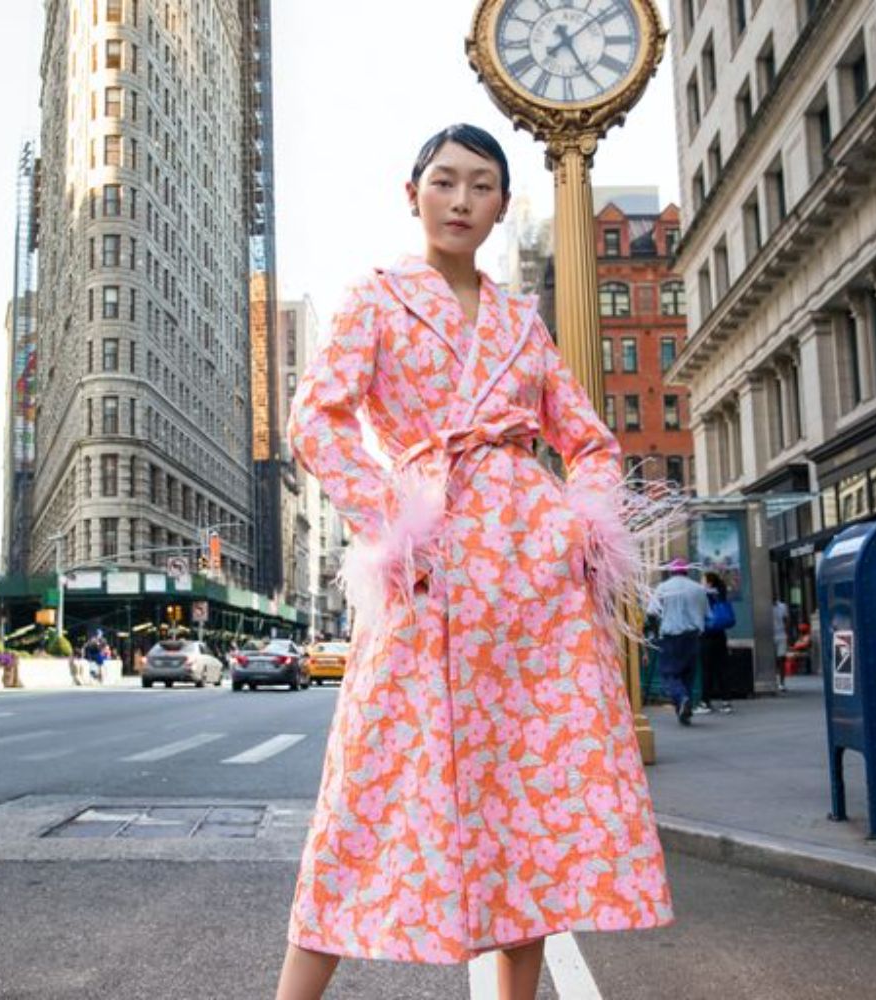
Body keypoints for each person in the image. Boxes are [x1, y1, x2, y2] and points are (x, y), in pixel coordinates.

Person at [275, 124, 673, 1000]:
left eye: (482, 185)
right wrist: (396, 522)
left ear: (499, 206)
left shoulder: (521, 326)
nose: (461, 200)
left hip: (534, 587)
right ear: (411, 192)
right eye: (445, 181)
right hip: (429, 572)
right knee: (371, 786)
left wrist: (580, 530)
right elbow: (316, 420)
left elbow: (593, 442)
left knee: (525, 800)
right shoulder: (374, 300)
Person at [647, 558, 710, 726]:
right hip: (693, 636)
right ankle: (684, 710)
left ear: (671, 572)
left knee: (669, 673)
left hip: (670, 637)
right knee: (688, 674)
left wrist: (654, 632)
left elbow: (652, 612)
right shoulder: (698, 589)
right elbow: (706, 613)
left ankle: (682, 699)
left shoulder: (663, 588)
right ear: (687, 571)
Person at [697, 571, 735, 715]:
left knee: (707, 670)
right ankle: (726, 702)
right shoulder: (721, 594)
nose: (701, 582)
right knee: (722, 670)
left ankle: (705, 702)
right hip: (720, 635)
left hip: (706, 635)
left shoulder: (704, 595)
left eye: (702, 579)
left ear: (709, 582)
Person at [772, 597, 790, 692]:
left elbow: (786, 620)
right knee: (773, 660)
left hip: (781, 635)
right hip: (770, 636)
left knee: (781, 659)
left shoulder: (782, 606)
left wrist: (787, 633)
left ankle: (782, 683)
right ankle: (774, 681)